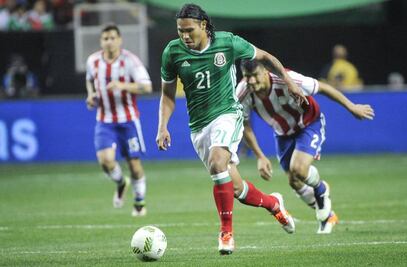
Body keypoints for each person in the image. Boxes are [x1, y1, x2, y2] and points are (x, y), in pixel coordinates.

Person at [156, 3, 307, 255]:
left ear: (203, 25)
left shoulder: (228, 43)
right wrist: (163, 126)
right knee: (236, 189)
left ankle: (226, 233)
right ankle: (274, 204)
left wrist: (289, 81)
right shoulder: (172, 53)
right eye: (180, 31)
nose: (184, 36)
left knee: (218, 162)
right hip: (199, 126)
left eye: (189, 30)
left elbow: (266, 58)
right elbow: (168, 95)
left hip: (227, 113)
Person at [236, 59, 375, 234]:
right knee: (294, 181)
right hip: (283, 134)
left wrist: (352, 107)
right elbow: (245, 125)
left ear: (265, 72)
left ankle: (321, 189)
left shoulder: (287, 80)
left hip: (309, 124)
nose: (252, 81)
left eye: (255, 75)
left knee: (299, 169)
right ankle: (328, 215)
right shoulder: (242, 92)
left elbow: (323, 87)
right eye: (247, 77)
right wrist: (260, 156)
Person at [85, 24, 152, 217]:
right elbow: (90, 79)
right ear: (101, 41)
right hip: (104, 120)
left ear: (120, 40)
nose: (109, 41)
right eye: (105, 38)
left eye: (113, 38)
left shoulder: (130, 61)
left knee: (134, 165)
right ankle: (121, 182)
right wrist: (90, 95)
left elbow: (147, 87)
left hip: (128, 121)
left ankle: (139, 201)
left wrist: (122, 85)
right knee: (105, 161)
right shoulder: (93, 61)